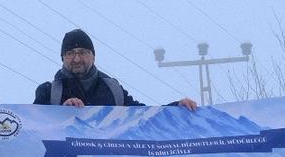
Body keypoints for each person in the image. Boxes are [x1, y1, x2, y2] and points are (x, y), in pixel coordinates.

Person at [33, 28, 198, 109]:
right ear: (62, 57)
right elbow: (33, 128)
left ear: (93, 56)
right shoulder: (48, 92)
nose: (77, 59)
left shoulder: (112, 89)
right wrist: (60, 112)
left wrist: (176, 108)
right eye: (70, 53)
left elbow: (144, 117)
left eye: (82, 52)